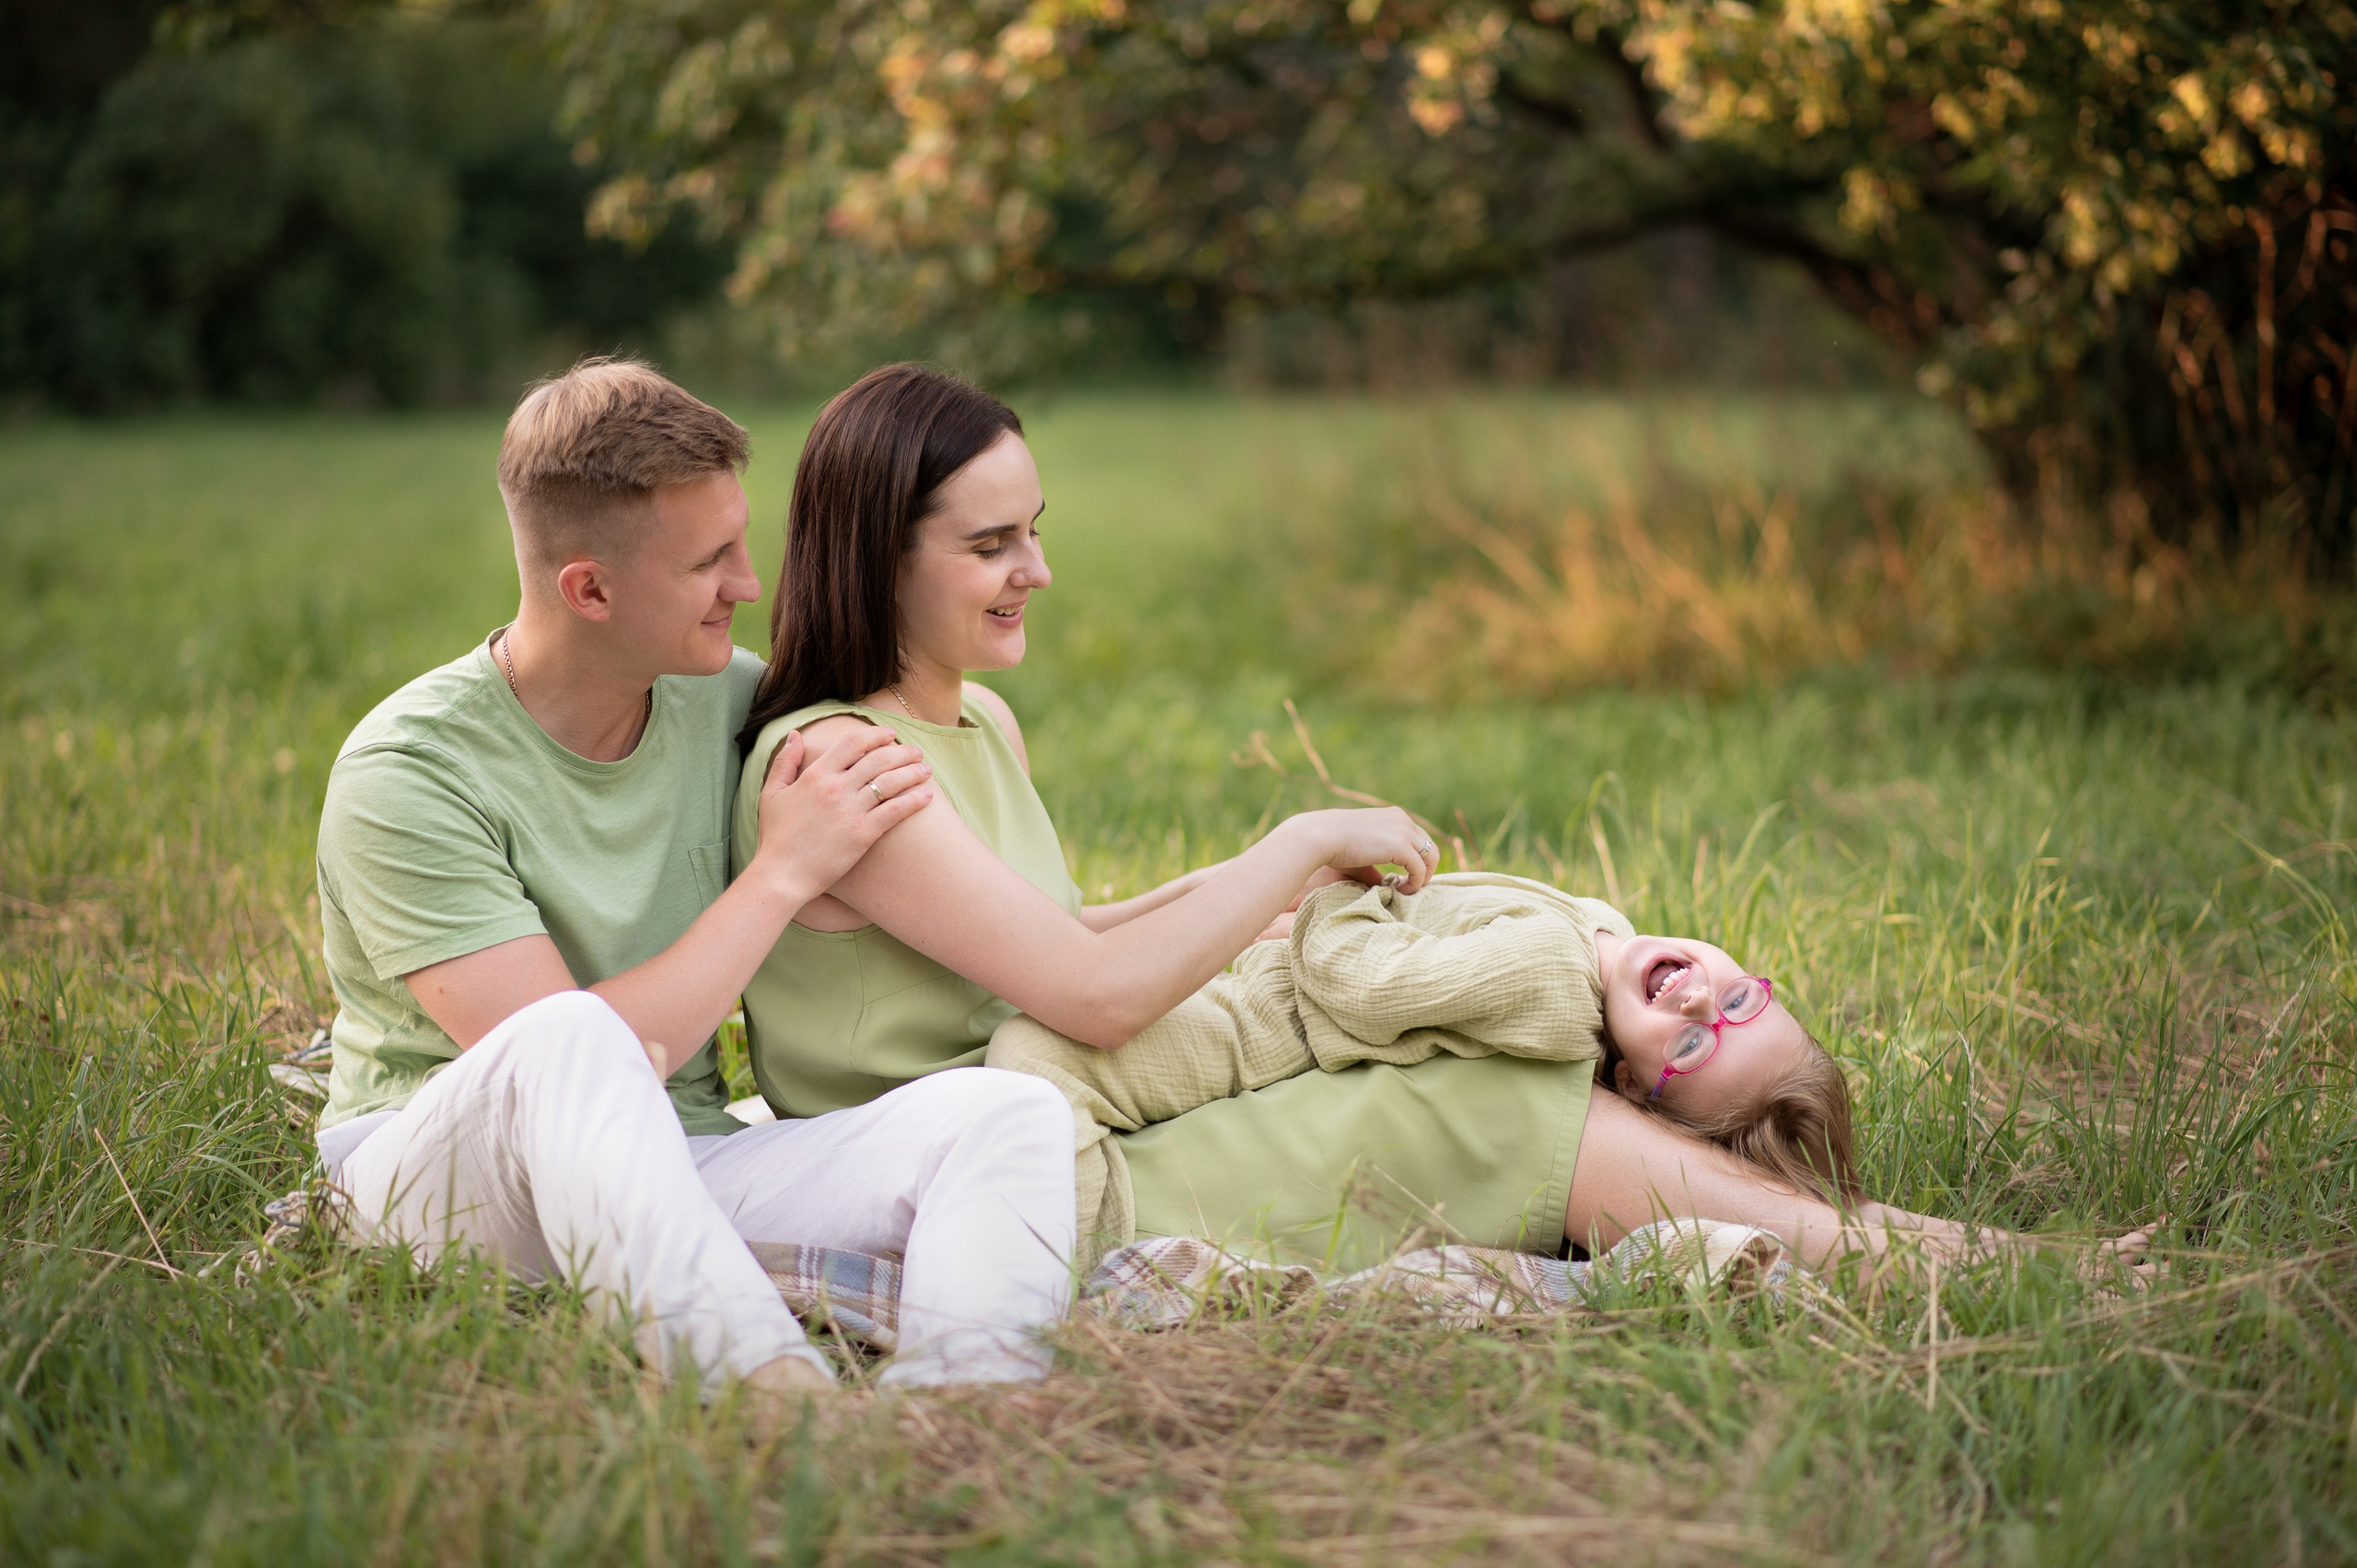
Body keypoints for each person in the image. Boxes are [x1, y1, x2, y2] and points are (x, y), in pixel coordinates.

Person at [729, 362, 2154, 1283]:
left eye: (1037, 526)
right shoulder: (846, 766)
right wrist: (1290, 842)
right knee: (1488, 1101)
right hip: (1001, 1177)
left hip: (1068, 1099)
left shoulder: (975, 723)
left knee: (1461, 1053)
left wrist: (1254, 897)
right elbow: (1089, 994)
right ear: (877, 550)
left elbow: (1045, 942)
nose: (1037, 568)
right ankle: (1950, 1267)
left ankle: (1925, 1245)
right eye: (992, 545)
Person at [312, 358, 1078, 1403]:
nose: (750, 585)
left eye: (741, 542)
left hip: (682, 1155)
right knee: (572, 1037)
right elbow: (577, 1066)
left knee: (1002, 1111)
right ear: (590, 587)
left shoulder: (733, 700)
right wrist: (778, 874)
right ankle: (779, 1401)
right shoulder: (410, 773)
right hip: (440, 1181)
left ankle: (963, 1413)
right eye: (709, 560)